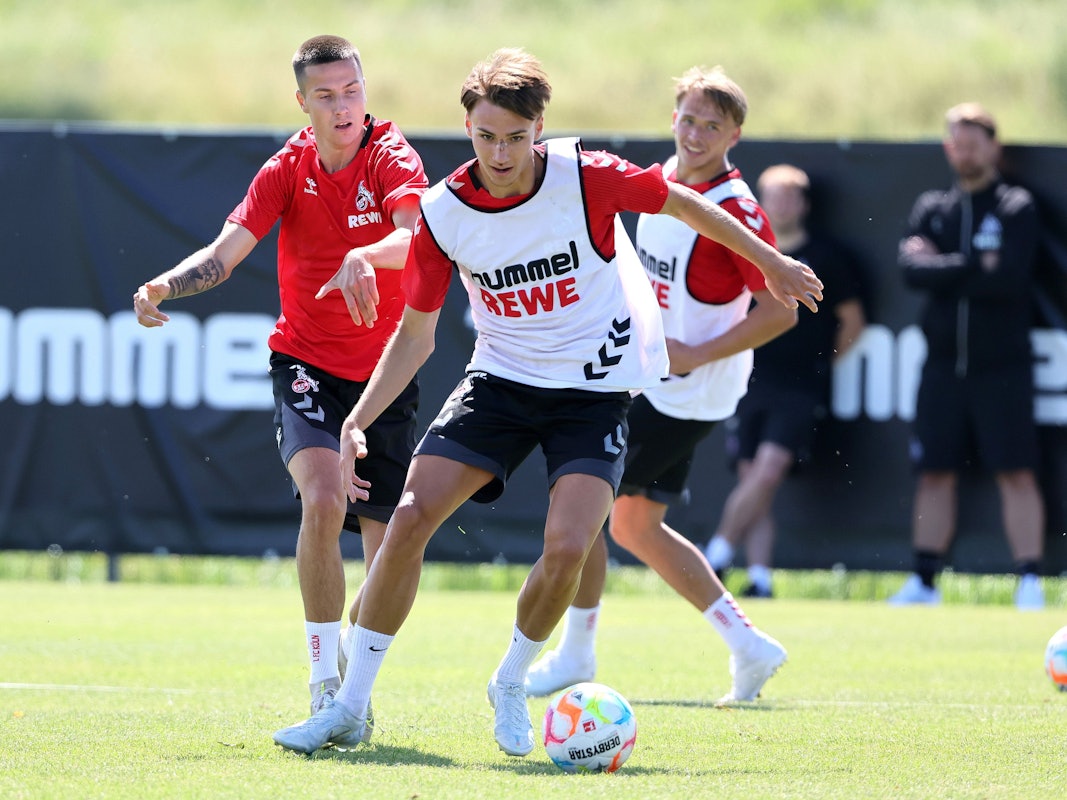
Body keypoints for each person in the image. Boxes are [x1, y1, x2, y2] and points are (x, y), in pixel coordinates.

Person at [271, 47, 822, 757]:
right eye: (484, 137)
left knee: (569, 547)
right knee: (407, 519)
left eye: (514, 137)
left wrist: (770, 262)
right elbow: (414, 337)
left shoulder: (584, 175)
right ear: (466, 129)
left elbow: (681, 200)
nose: (499, 154)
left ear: (539, 129)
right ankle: (348, 705)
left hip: (591, 394)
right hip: (499, 384)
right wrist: (354, 420)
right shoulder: (443, 214)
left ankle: (508, 678)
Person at [133, 35, 428, 715]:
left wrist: (362, 253)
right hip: (306, 364)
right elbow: (225, 253)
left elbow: (418, 235)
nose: (342, 105)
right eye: (325, 95)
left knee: (391, 559)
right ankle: (325, 680)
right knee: (323, 502)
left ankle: (352, 658)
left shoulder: (390, 155)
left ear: (364, 90)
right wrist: (162, 286)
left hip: (384, 377)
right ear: (303, 103)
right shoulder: (286, 169)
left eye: (351, 89)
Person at [524, 67, 797, 702]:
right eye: (688, 118)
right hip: (655, 376)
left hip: (687, 388)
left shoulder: (736, 209)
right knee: (633, 525)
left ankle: (576, 653)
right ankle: (749, 645)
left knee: (581, 504)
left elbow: (780, 310)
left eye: (712, 125)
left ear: (734, 135)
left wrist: (696, 352)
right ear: (672, 116)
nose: (696, 133)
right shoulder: (662, 182)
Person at [887, 102, 1045, 611]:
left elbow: (1008, 278)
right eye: (958, 141)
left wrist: (945, 266)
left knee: (1016, 471)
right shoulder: (932, 206)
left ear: (994, 148)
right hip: (941, 370)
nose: (966, 150)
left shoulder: (1016, 205)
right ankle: (924, 581)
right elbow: (911, 270)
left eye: (975, 141)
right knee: (934, 472)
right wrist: (973, 263)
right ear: (947, 148)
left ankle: (1030, 581)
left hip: (1003, 369)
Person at [703, 164, 867, 598]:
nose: (783, 204)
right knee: (750, 477)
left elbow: (852, 321)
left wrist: (821, 361)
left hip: (800, 385)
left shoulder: (827, 256)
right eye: (775, 195)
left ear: (806, 204)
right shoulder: (746, 249)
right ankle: (760, 576)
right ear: (761, 201)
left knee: (769, 470)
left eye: (793, 196)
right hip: (747, 377)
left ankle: (716, 555)